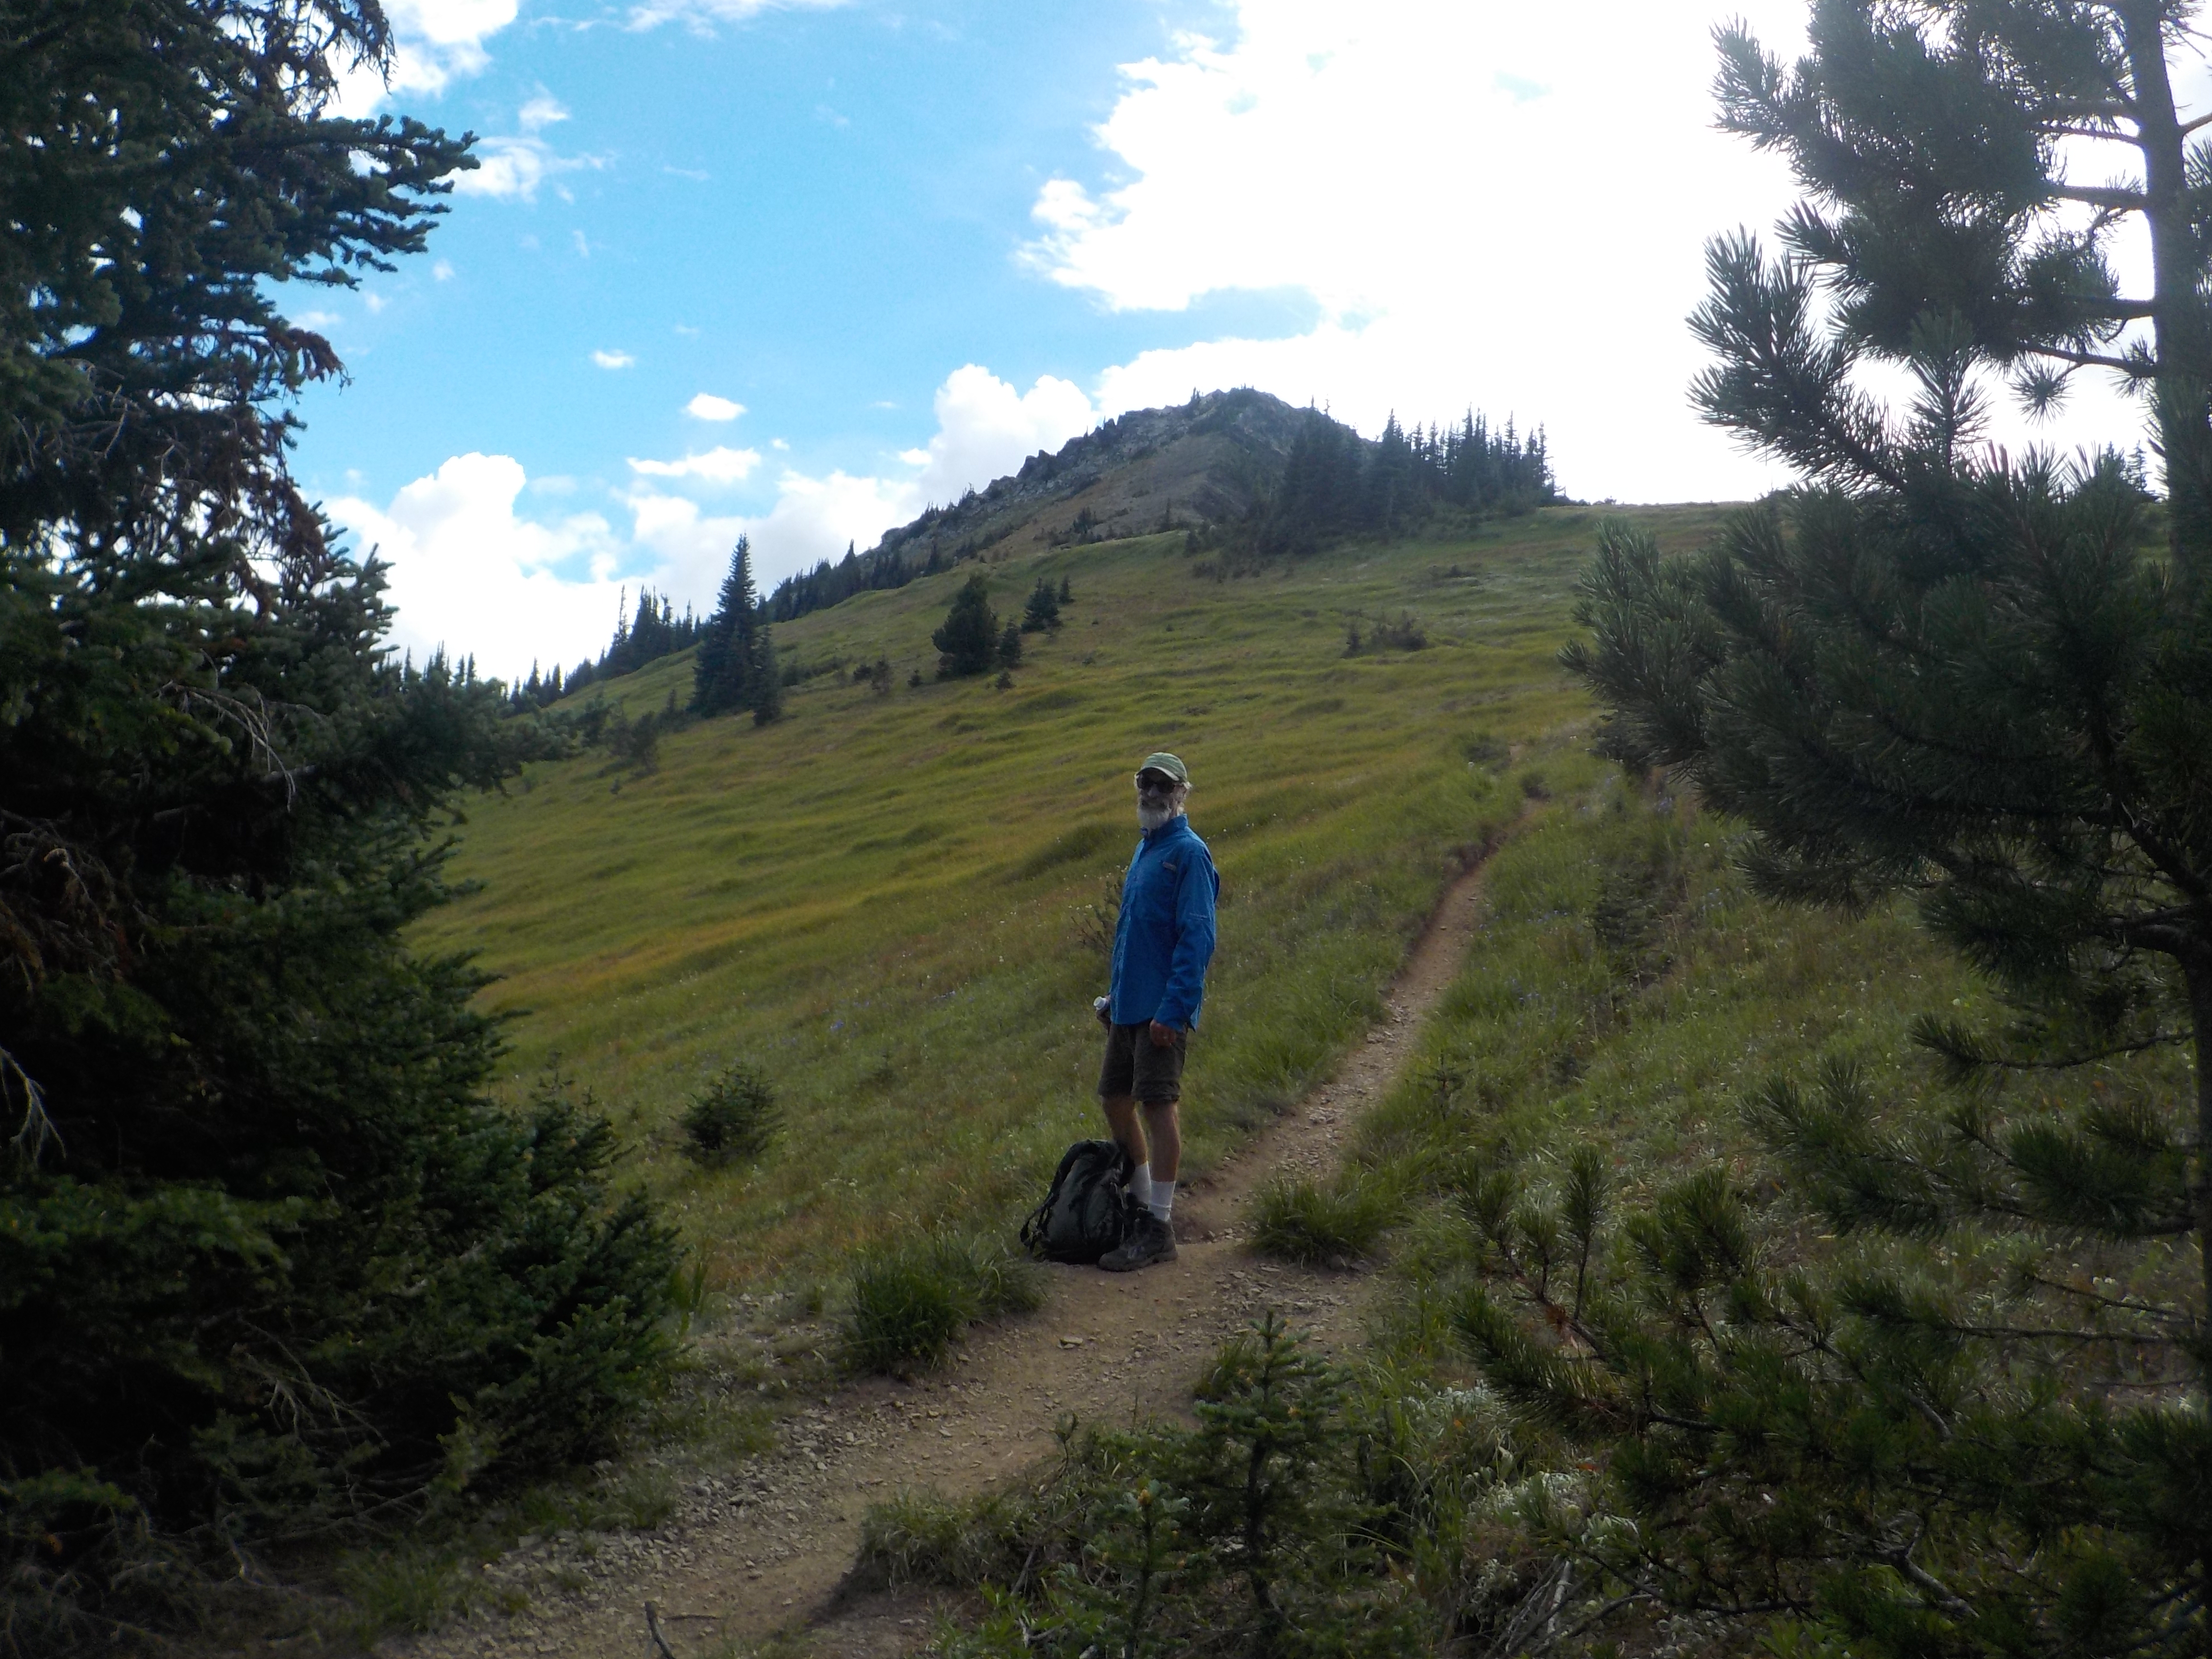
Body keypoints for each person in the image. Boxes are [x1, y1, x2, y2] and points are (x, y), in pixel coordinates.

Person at [1092, 751, 1219, 1271]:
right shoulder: (1145, 849)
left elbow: (1198, 938)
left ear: (1182, 792)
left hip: (1161, 1010)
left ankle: (1158, 1226)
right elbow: (1132, 935)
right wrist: (1113, 1000)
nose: (1151, 792)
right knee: (1114, 1100)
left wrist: (1174, 1009)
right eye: (1145, 783)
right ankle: (1142, 1201)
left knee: (1157, 1106)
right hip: (1128, 1007)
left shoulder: (1187, 853)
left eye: (1162, 785)